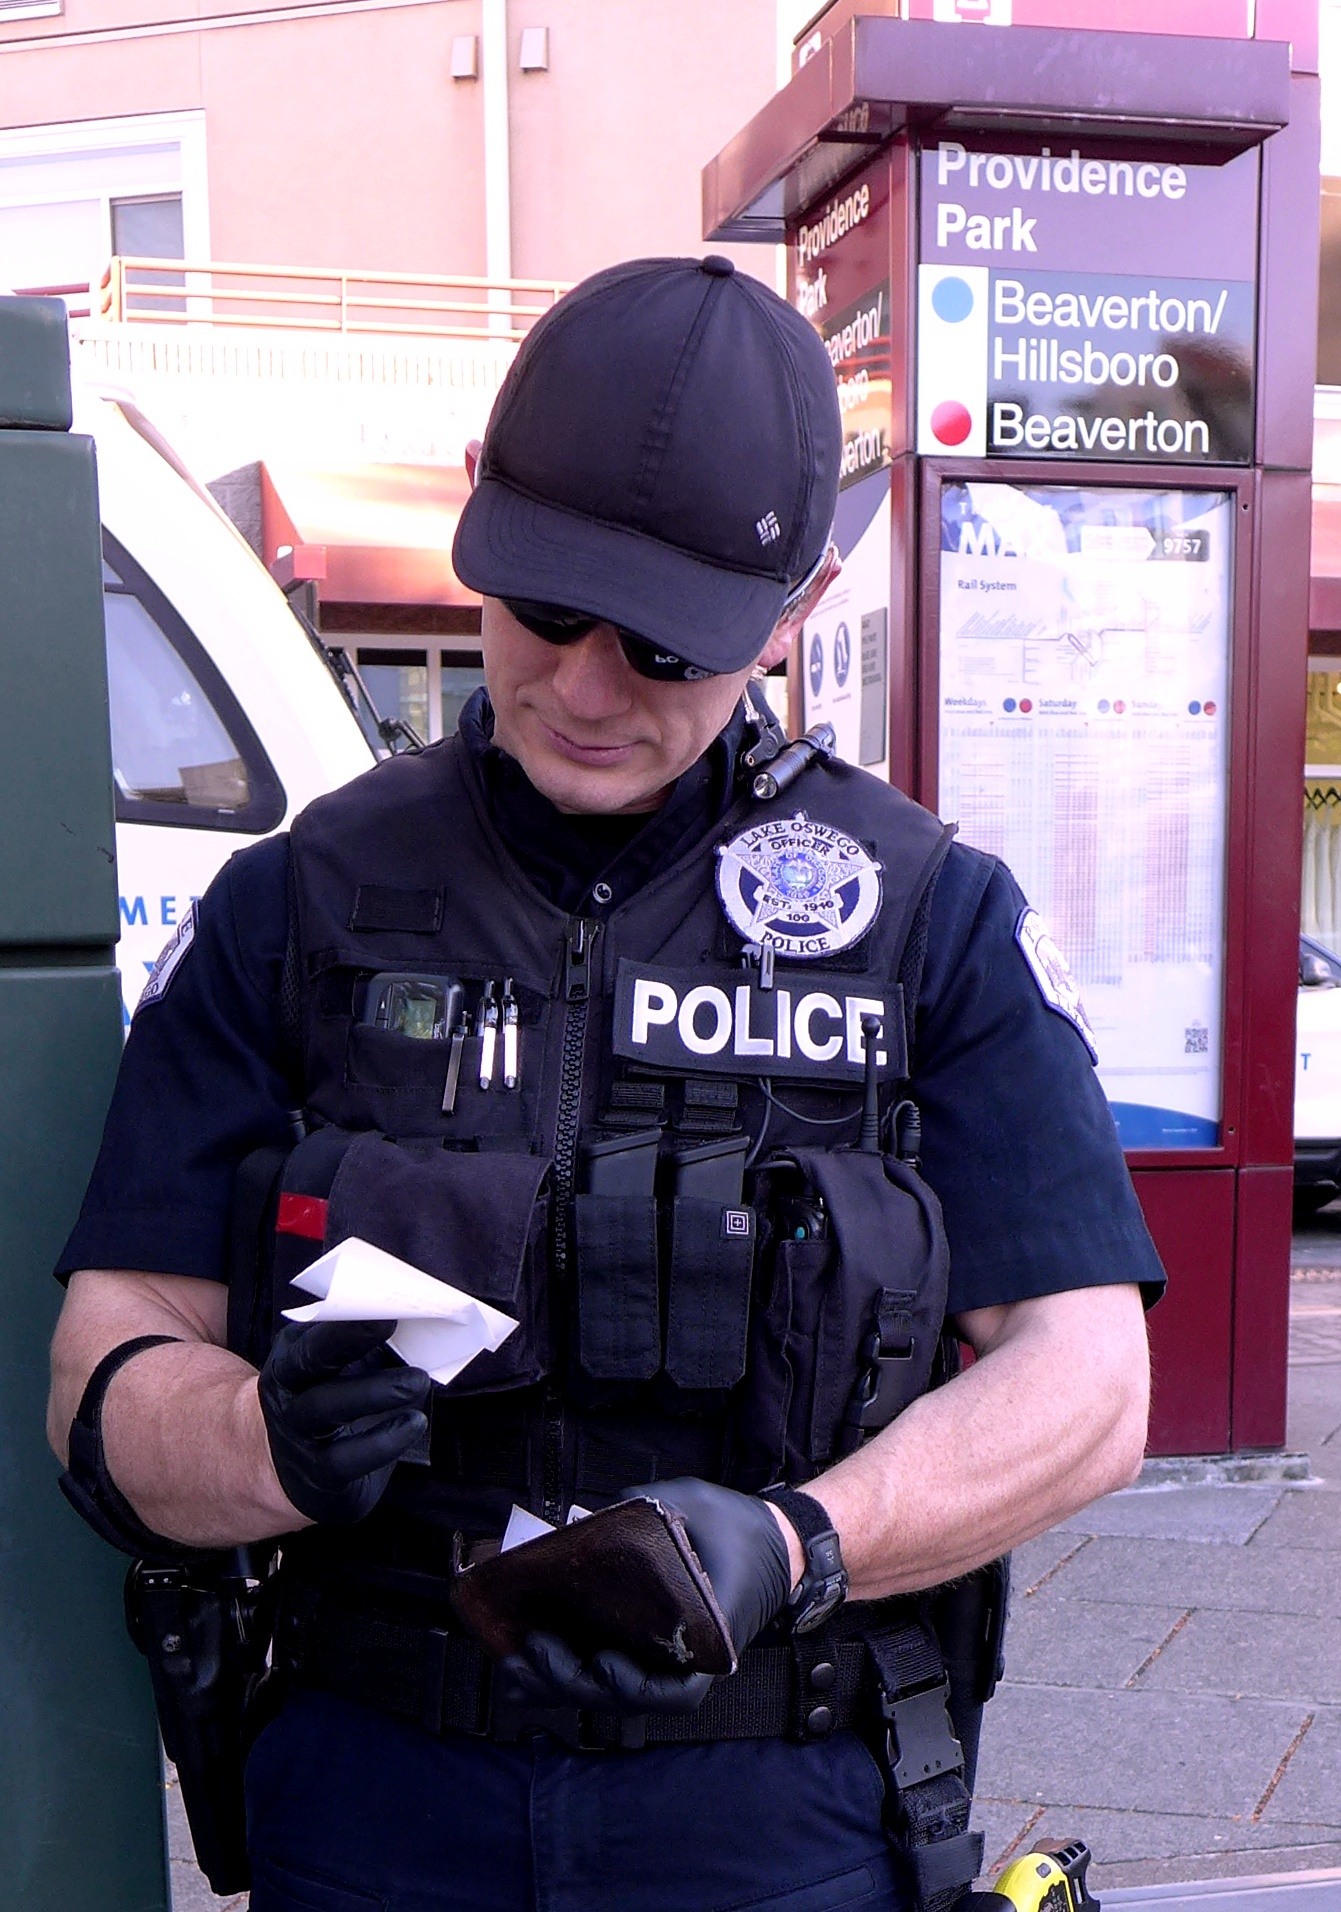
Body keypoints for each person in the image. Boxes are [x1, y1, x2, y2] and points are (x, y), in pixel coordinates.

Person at [49, 255, 1162, 1912]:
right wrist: (258, 1441)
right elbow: (104, 1351)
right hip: (375, 1801)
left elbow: (1089, 1383)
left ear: (797, 610)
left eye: (659, 648)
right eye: (545, 610)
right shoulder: (301, 900)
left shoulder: (928, 917)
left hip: (778, 1814)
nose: (581, 687)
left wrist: (795, 1549)